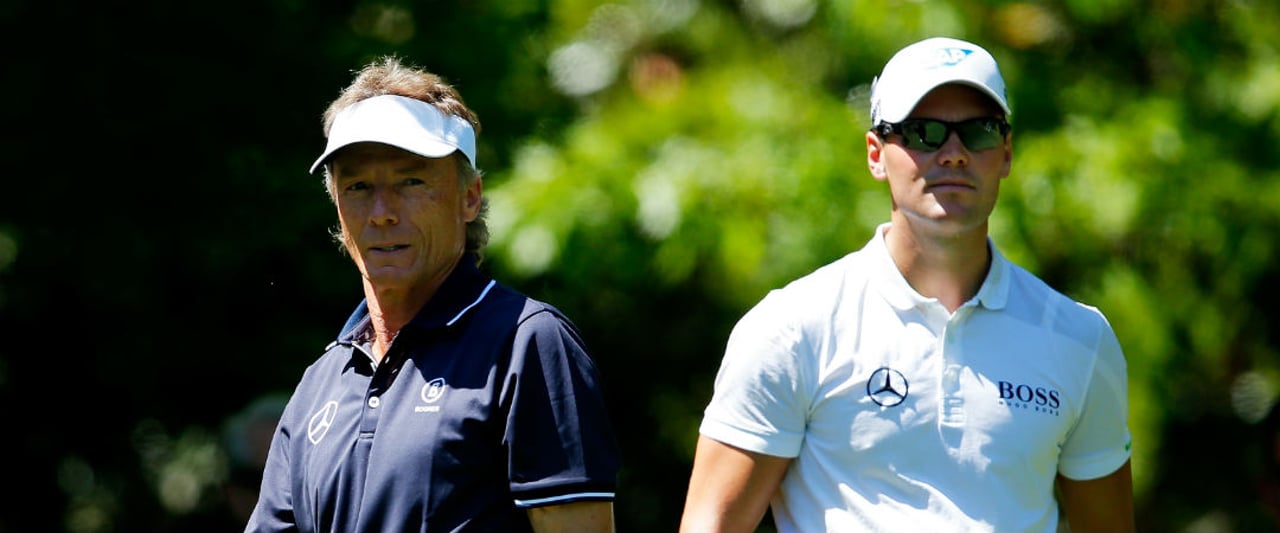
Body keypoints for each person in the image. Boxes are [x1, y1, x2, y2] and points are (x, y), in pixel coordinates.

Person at [679, 37, 1134, 533]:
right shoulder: (792, 327)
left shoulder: (1079, 339)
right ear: (876, 154)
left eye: (978, 132)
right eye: (923, 133)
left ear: (1005, 153)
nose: (954, 153)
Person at [244, 55, 620, 533]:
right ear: (337, 206)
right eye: (358, 186)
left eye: (411, 181)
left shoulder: (528, 344)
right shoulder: (321, 382)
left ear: (470, 197)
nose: (381, 212)